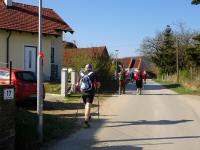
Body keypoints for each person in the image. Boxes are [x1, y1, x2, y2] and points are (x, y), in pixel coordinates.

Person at [78, 64, 100, 128]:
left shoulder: (82, 74)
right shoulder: (94, 74)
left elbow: (78, 83)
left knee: (86, 105)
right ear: (91, 68)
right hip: (90, 92)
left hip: (83, 92)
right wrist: (97, 88)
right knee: (88, 105)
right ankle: (86, 122)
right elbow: (98, 84)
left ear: (85, 68)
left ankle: (88, 115)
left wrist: (80, 89)